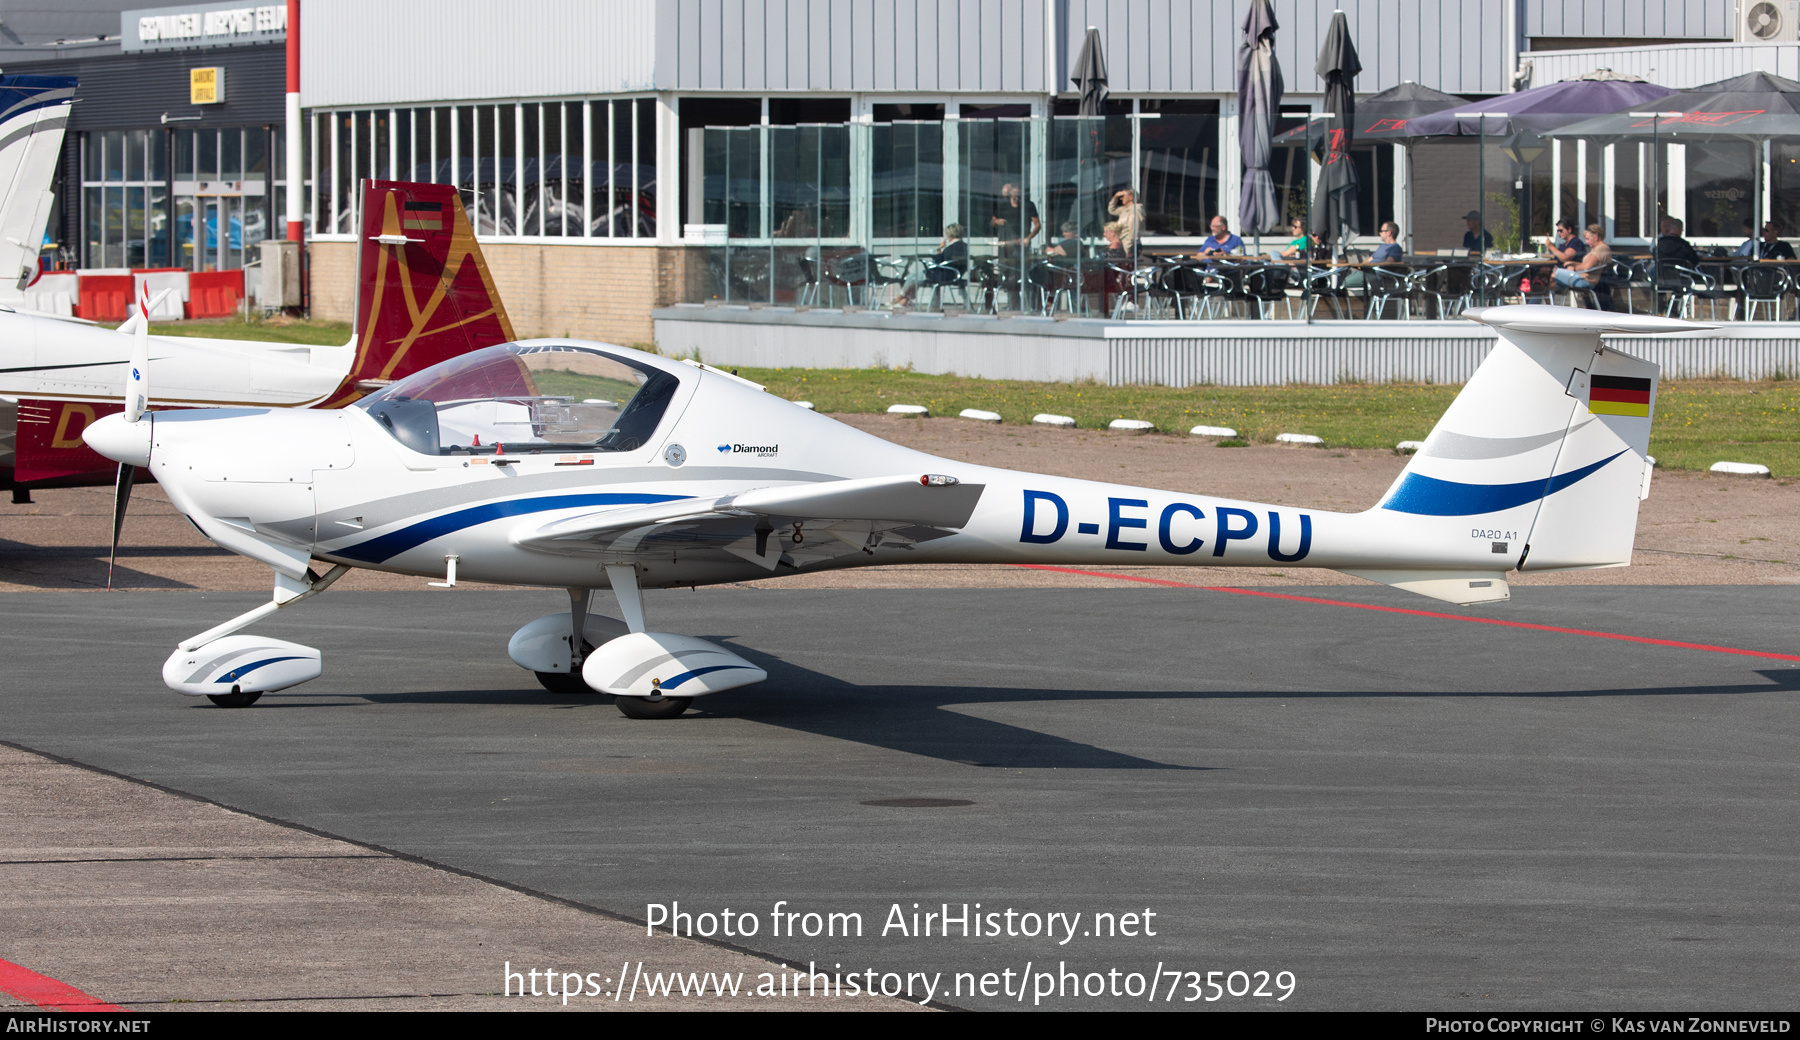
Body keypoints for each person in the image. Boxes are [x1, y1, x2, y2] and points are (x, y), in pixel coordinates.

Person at [899, 224, 968, 306]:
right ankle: (903, 301)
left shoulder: (950, 248)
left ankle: (898, 300)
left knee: (911, 277)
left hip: (942, 275)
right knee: (915, 279)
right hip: (955, 274)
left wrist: (939, 249)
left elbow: (937, 261)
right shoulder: (964, 246)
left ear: (949, 235)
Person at [1553, 223, 1612, 307]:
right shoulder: (1596, 248)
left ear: (1595, 237)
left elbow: (1587, 267)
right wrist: (1573, 263)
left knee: (1552, 273)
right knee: (1552, 280)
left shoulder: (1601, 248)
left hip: (1585, 280)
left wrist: (1573, 268)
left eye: (1587, 239)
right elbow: (1588, 265)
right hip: (1582, 278)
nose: (1586, 242)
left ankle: (1543, 304)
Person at [990, 183, 1040, 248]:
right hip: (1006, 245)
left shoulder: (1028, 205)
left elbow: (1037, 225)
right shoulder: (1003, 206)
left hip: (1022, 244)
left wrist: (1028, 238)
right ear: (1010, 193)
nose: (1017, 198)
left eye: (1019, 195)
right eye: (1015, 194)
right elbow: (992, 222)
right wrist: (997, 221)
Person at [1107, 188, 1144, 254]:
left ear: (1131, 197)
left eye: (1123, 196)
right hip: (1124, 245)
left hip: (1130, 246)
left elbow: (1133, 233)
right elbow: (1111, 210)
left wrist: (1127, 250)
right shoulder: (1124, 210)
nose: (1121, 198)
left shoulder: (1135, 211)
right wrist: (1115, 197)